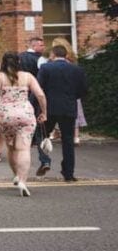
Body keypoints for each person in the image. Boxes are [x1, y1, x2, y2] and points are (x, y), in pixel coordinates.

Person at [0, 52, 48, 197]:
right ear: (19, 61)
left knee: (11, 147)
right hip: (25, 114)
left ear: (3, 62)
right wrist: (44, 112)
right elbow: (40, 94)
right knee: (23, 149)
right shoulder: (27, 76)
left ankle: (16, 175)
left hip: (5, 114)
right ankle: (23, 180)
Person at [38, 44, 89, 182]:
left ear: (53, 55)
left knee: (42, 136)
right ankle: (68, 172)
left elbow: (39, 89)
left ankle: (45, 161)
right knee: (68, 141)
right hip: (68, 108)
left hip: (49, 108)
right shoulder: (77, 69)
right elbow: (83, 90)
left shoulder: (45, 68)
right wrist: (71, 98)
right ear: (66, 55)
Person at [18, 37, 52, 176]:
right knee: (39, 129)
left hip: (23, 94)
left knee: (27, 128)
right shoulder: (41, 60)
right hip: (37, 94)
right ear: (34, 45)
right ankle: (44, 159)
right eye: (41, 44)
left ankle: (26, 155)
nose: (43, 47)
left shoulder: (20, 57)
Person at [51, 37, 87, 144]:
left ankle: (56, 132)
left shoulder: (54, 61)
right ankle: (76, 137)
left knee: (57, 112)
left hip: (59, 91)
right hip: (72, 91)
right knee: (74, 113)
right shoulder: (73, 58)